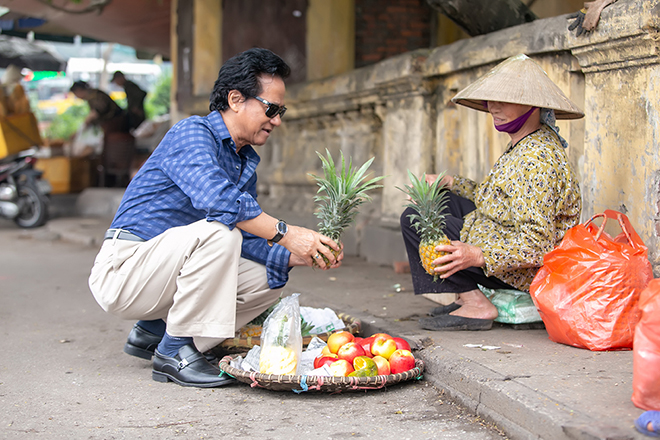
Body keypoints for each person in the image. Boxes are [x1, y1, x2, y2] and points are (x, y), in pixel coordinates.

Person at [88, 48, 343, 388]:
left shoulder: (242, 160)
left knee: (268, 277)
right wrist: (287, 233)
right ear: (236, 99)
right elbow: (221, 203)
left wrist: (297, 255)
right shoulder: (192, 133)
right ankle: (173, 354)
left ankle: (161, 334)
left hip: (162, 270)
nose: (277, 120)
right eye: (271, 109)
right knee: (222, 234)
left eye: (281, 111)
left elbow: (251, 235)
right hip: (124, 270)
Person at [400, 54, 583, 331]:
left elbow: (538, 246)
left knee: (414, 219)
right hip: (499, 235)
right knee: (439, 201)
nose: (493, 107)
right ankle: (464, 294)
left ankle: (476, 304)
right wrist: (449, 181)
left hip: (522, 270)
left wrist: (477, 255)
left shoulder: (537, 160)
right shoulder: (525, 142)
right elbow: (497, 200)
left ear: (532, 105)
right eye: (491, 100)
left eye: (503, 100)